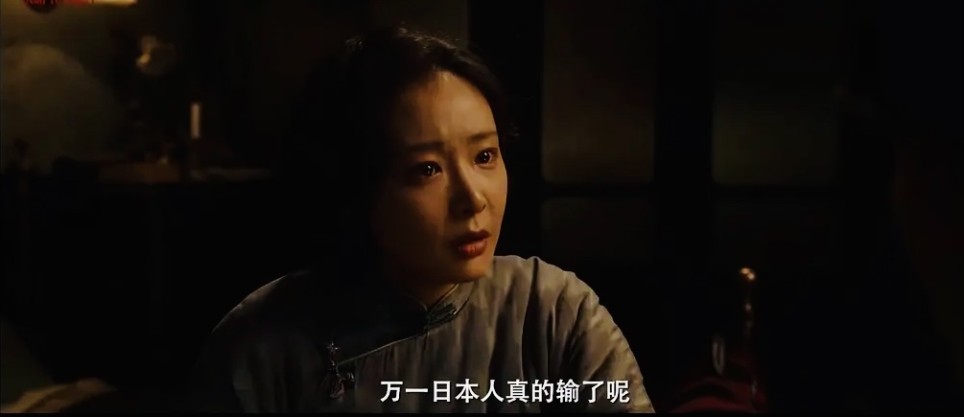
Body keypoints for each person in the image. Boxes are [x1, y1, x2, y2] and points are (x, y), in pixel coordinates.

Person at [188, 27, 654, 413]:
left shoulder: (552, 312)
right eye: (427, 169)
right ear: (356, 184)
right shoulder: (261, 345)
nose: (473, 199)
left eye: (485, 156)